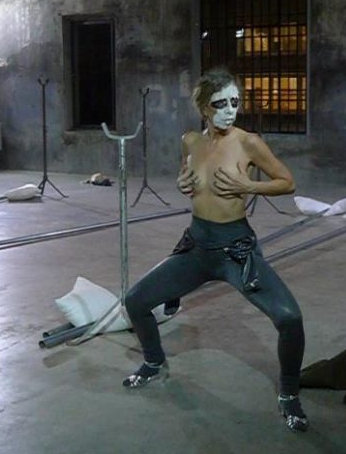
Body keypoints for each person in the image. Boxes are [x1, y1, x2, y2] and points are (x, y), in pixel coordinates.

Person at [122, 68, 309, 432]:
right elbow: (188, 177)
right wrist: (183, 182)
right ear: (204, 108)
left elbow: (287, 182)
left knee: (290, 319)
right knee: (136, 301)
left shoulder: (248, 142)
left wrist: (248, 186)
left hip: (235, 250)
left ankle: (289, 393)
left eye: (234, 102)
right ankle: (153, 362)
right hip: (196, 246)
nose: (229, 110)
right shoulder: (190, 141)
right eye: (220, 104)